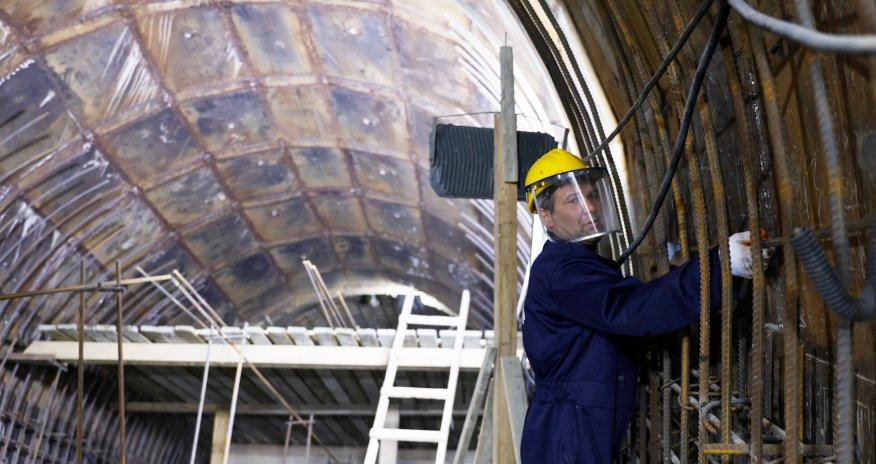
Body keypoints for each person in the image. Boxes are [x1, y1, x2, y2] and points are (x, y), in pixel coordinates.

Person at [519, 148, 758, 463]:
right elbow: (630, 309)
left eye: (592, 195)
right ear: (547, 216)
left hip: (577, 423)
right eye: (574, 200)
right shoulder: (562, 271)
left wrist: (682, 270)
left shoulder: (579, 263)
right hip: (568, 434)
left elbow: (626, 305)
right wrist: (719, 267)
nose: (590, 207)